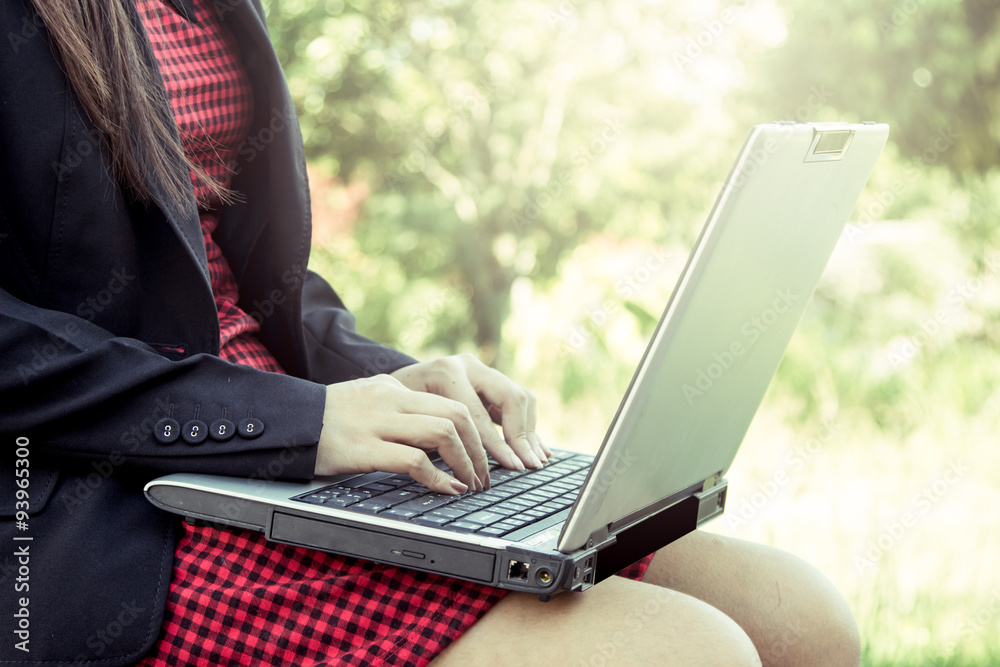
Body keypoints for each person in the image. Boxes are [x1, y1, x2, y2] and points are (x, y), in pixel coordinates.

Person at [0, 0, 861, 665]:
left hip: (292, 448)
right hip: (98, 497)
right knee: (687, 653)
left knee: (801, 619)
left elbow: (251, 281)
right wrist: (302, 426)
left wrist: (398, 385)